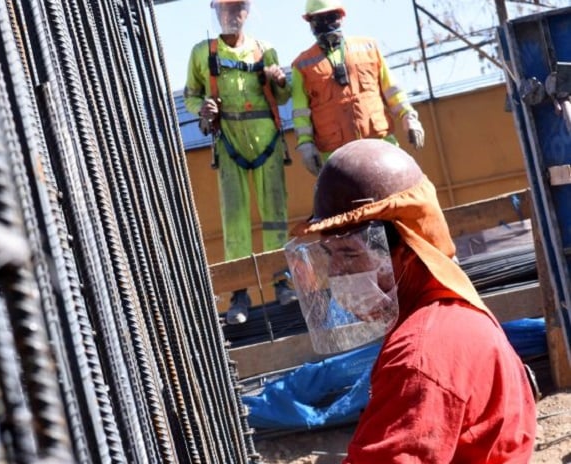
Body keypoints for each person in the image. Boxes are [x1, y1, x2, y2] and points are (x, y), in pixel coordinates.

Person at [287, 139, 537, 462]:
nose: (335, 274)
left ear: (406, 249)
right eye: (330, 255)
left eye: (349, 254)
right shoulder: (447, 309)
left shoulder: (419, 356)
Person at [184, 0, 298, 324]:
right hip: (230, 143)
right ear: (217, 12)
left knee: (275, 214)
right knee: (234, 219)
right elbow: (191, 95)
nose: (232, 15)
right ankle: (240, 293)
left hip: (268, 142)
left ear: (247, 12)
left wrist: (279, 81)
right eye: (227, 9)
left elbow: (285, 97)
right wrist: (202, 109)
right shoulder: (202, 53)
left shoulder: (265, 50)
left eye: (238, 9)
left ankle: (281, 281)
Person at [291, 0, 425, 176]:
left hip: (380, 144)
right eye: (319, 19)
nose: (326, 23)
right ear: (310, 22)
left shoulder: (368, 47)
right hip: (337, 155)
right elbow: (301, 112)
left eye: (331, 17)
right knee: (347, 201)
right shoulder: (302, 65)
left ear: (341, 16)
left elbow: (391, 89)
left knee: (399, 190)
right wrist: (306, 144)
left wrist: (408, 116)